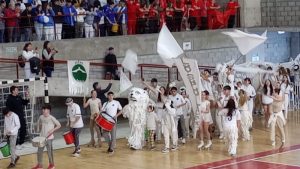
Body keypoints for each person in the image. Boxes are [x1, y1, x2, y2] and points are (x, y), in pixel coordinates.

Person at [32, 104, 61, 169]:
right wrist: (38, 128)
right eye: (43, 109)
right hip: (41, 138)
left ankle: (52, 165)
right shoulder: (41, 117)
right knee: (39, 152)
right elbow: (38, 122)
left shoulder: (52, 118)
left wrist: (52, 130)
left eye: (44, 109)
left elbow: (59, 125)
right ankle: (40, 165)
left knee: (49, 152)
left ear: (48, 110)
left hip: (49, 138)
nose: (43, 110)